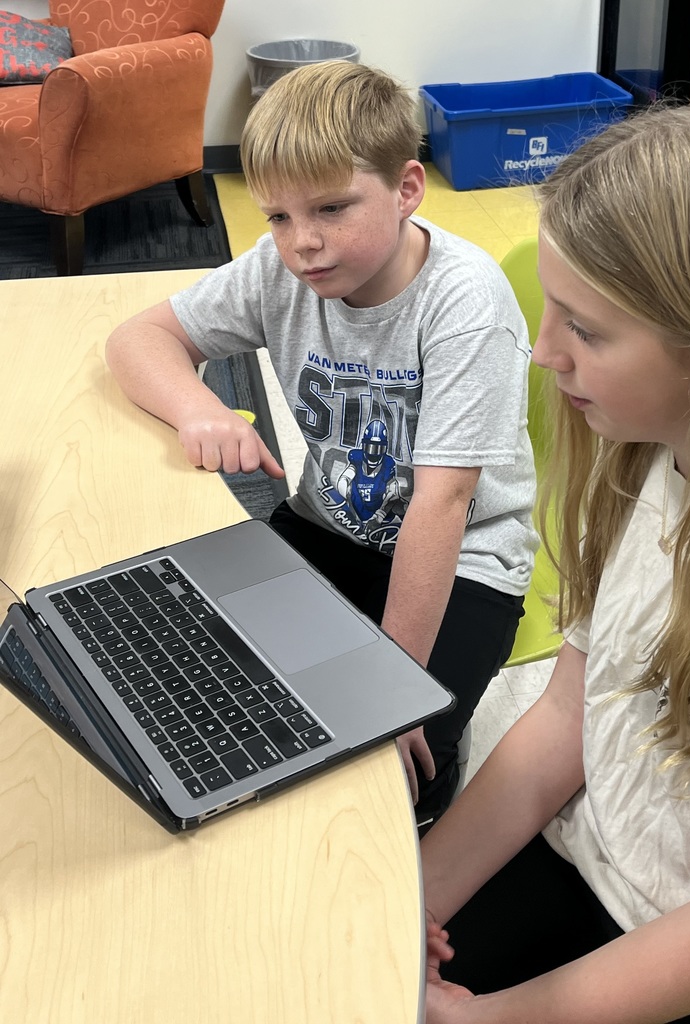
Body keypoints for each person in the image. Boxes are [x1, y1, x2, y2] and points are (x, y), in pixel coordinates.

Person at [421, 102, 690, 1023]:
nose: (542, 355)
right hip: (606, 865)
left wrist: (483, 1018)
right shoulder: (648, 459)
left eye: (582, 330)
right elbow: (565, 718)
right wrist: (406, 898)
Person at [104, 60, 536, 829]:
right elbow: (139, 338)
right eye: (276, 216)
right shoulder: (281, 268)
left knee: (382, 770)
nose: (302, 243)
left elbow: (443, 503)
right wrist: (199, 407)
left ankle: (431, 798)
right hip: (329, 529)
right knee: (214, 699)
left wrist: (392, 688)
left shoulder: (464, 302)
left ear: (406, 189)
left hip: (464, 559)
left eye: (332, 208)